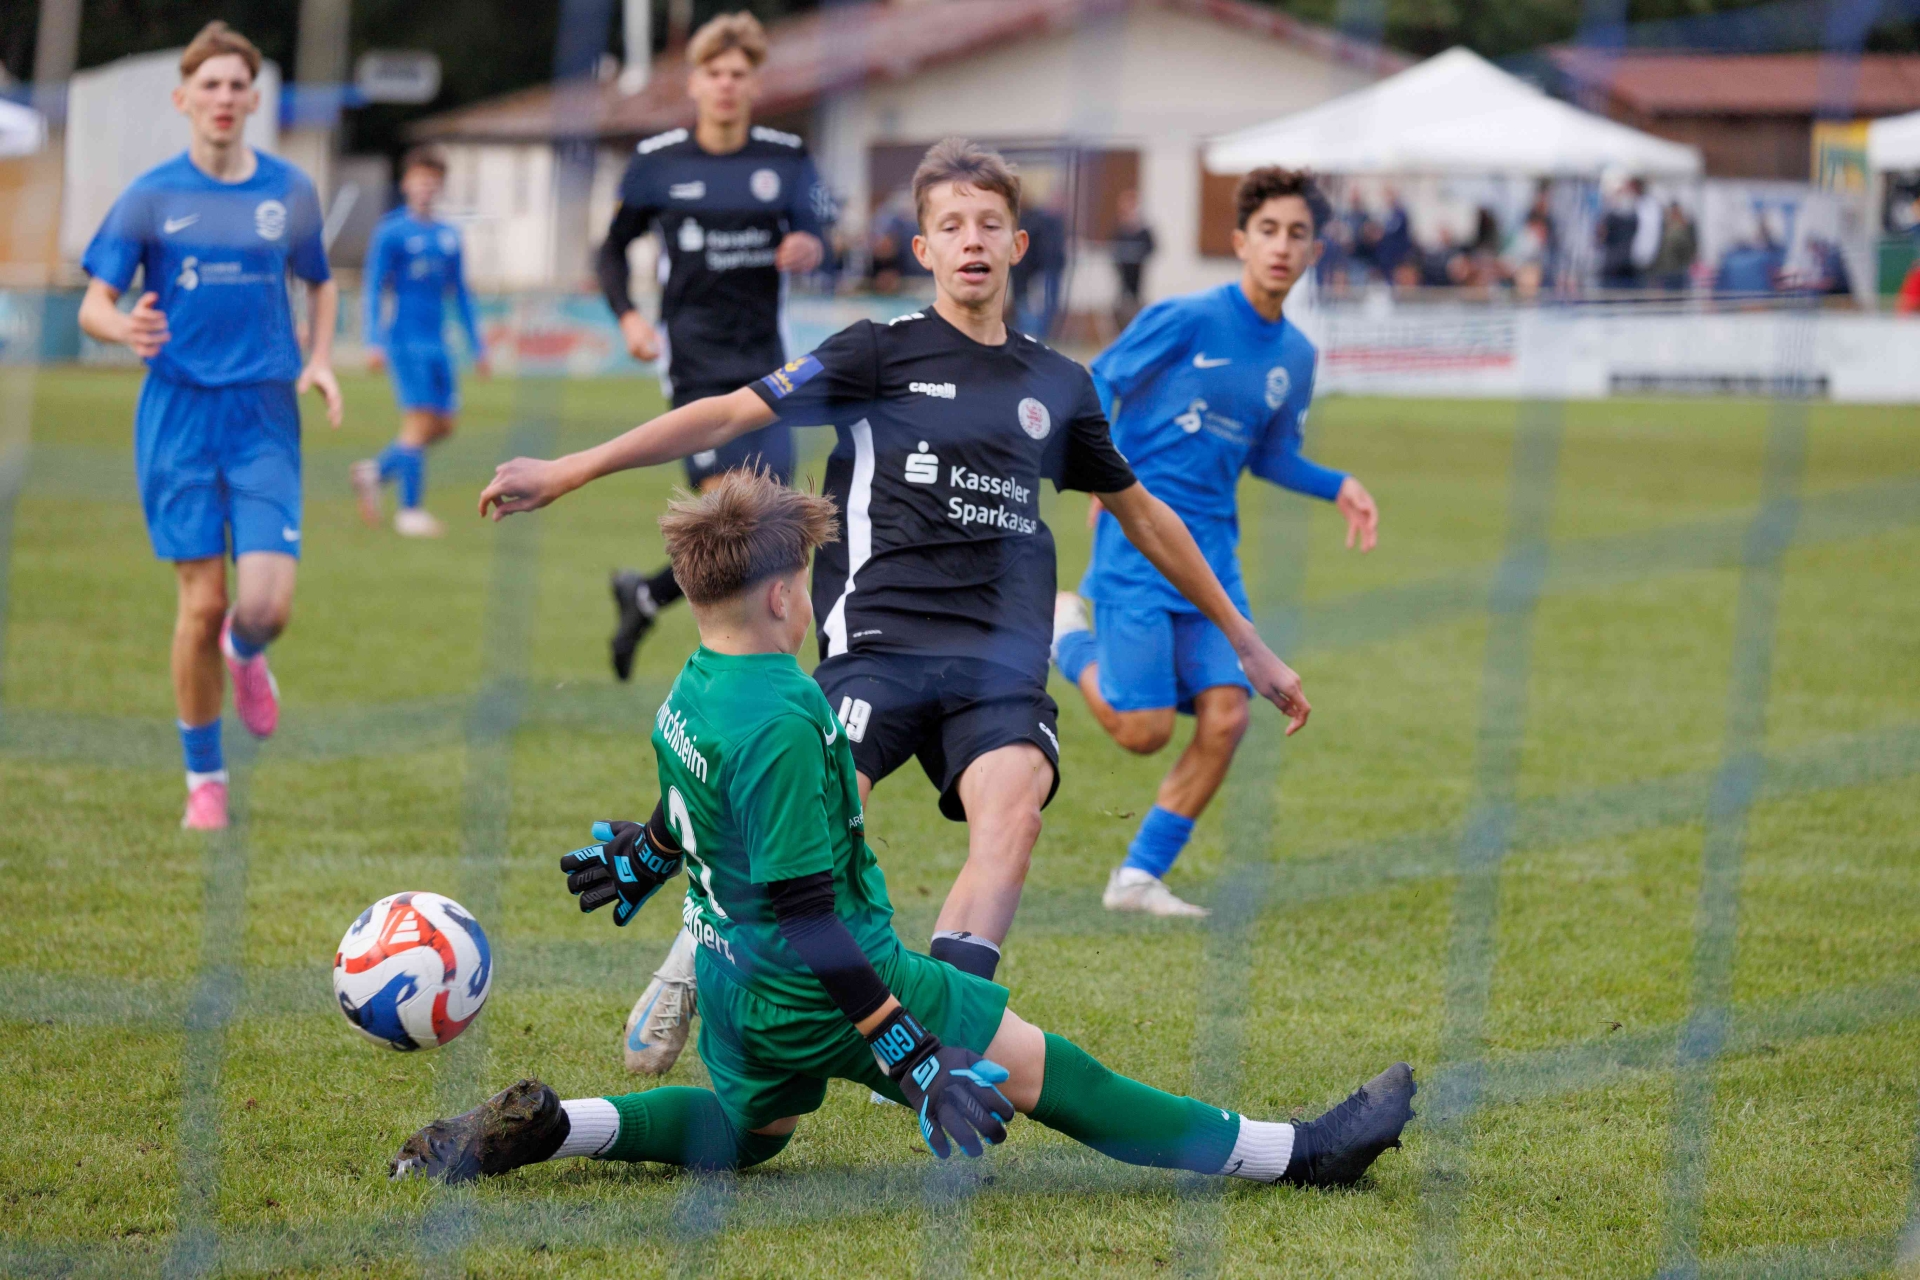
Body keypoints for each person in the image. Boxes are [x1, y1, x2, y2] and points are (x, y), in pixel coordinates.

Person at [478, 138, 1312, 1075]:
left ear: (1018, 245)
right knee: (813, 821)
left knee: (1016, 811)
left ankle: (946, 1044)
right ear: (923, 249)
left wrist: (1246, 643)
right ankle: (691, 956)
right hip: (879, 641)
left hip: (1001, 655)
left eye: (989, 224)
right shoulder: (876, 352)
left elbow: (1144, 514)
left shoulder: (1059, 385)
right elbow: (729, 414)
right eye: (950, 226)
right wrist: (573, 468)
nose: (972, 240)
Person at [391, 470, 1414, 1189]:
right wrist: (907, 1045)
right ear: (784, 595)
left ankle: (558, 1126)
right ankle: (1298, 1153)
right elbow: (806, 910)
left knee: (750, 1135)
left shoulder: (692, 686)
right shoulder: (784, 716)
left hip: (736, 985)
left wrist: (647, 852)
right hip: (825, 979)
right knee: (1055, 1073)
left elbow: (693, 806)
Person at [1051, 168, 1379, 918]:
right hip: (1138, 545)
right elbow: (1100, 379)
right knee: (1142, 731)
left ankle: (1138, 878)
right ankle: (1066, 636)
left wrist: (1337, 484)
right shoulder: (1187, 318)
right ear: (1240, 241)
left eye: (1297, 234)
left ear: (1314, 250)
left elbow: (1270, 455)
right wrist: (1103, 468)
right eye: (1268, 231)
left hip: (1215, 558)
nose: (1282, 246)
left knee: (1229, 715)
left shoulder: (1296, 356)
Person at [76, 21, 341, 831]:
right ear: (182, 99)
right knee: (200, 604)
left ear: (255, 100)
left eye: (236, 86)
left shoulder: (289, 191)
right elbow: (93, 304)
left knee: (265, 606)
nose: (224, 98)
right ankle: (206, 781)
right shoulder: (150, 195)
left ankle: (247, 653)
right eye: (210, 85)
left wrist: (320, 359)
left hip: (264, 413)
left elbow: (320, 280)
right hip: (179, 416)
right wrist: (123, 328)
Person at [596, 12, 829, 684]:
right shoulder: (658, 160)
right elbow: (612, 250)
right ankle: (732, 682)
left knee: (777, 534)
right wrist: (628, 318)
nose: (726, 84)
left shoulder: (787, 156)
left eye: (738, 74)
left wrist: (811, 245)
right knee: (742, 522)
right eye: (715, 73)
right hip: (695, 364)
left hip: (768, 366)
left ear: (754, 84)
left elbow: (822, 233)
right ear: (694, 83)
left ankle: (646, 596)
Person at [351, 145, 487, 538]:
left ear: (440, 186)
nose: (426, 187)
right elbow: (373, 287)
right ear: (406, 183)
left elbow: (461, 293)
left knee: (443, 425)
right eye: (419, 180)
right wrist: (373, 341)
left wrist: (478, 345)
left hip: (437, 341)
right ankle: (410, 512)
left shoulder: (448, 235)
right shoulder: (391, 232)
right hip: (405, 340)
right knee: (418, 422)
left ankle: (375, 472)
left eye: (433, 181)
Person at [1109, 188, 1155, 329]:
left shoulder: (1143, 230)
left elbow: (1151, 247)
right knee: (1122, 302)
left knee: (1136, 301)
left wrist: (1139, 253)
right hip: (1123, 272)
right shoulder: (1119, 229)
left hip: (1137, 273)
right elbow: (1113, 247)